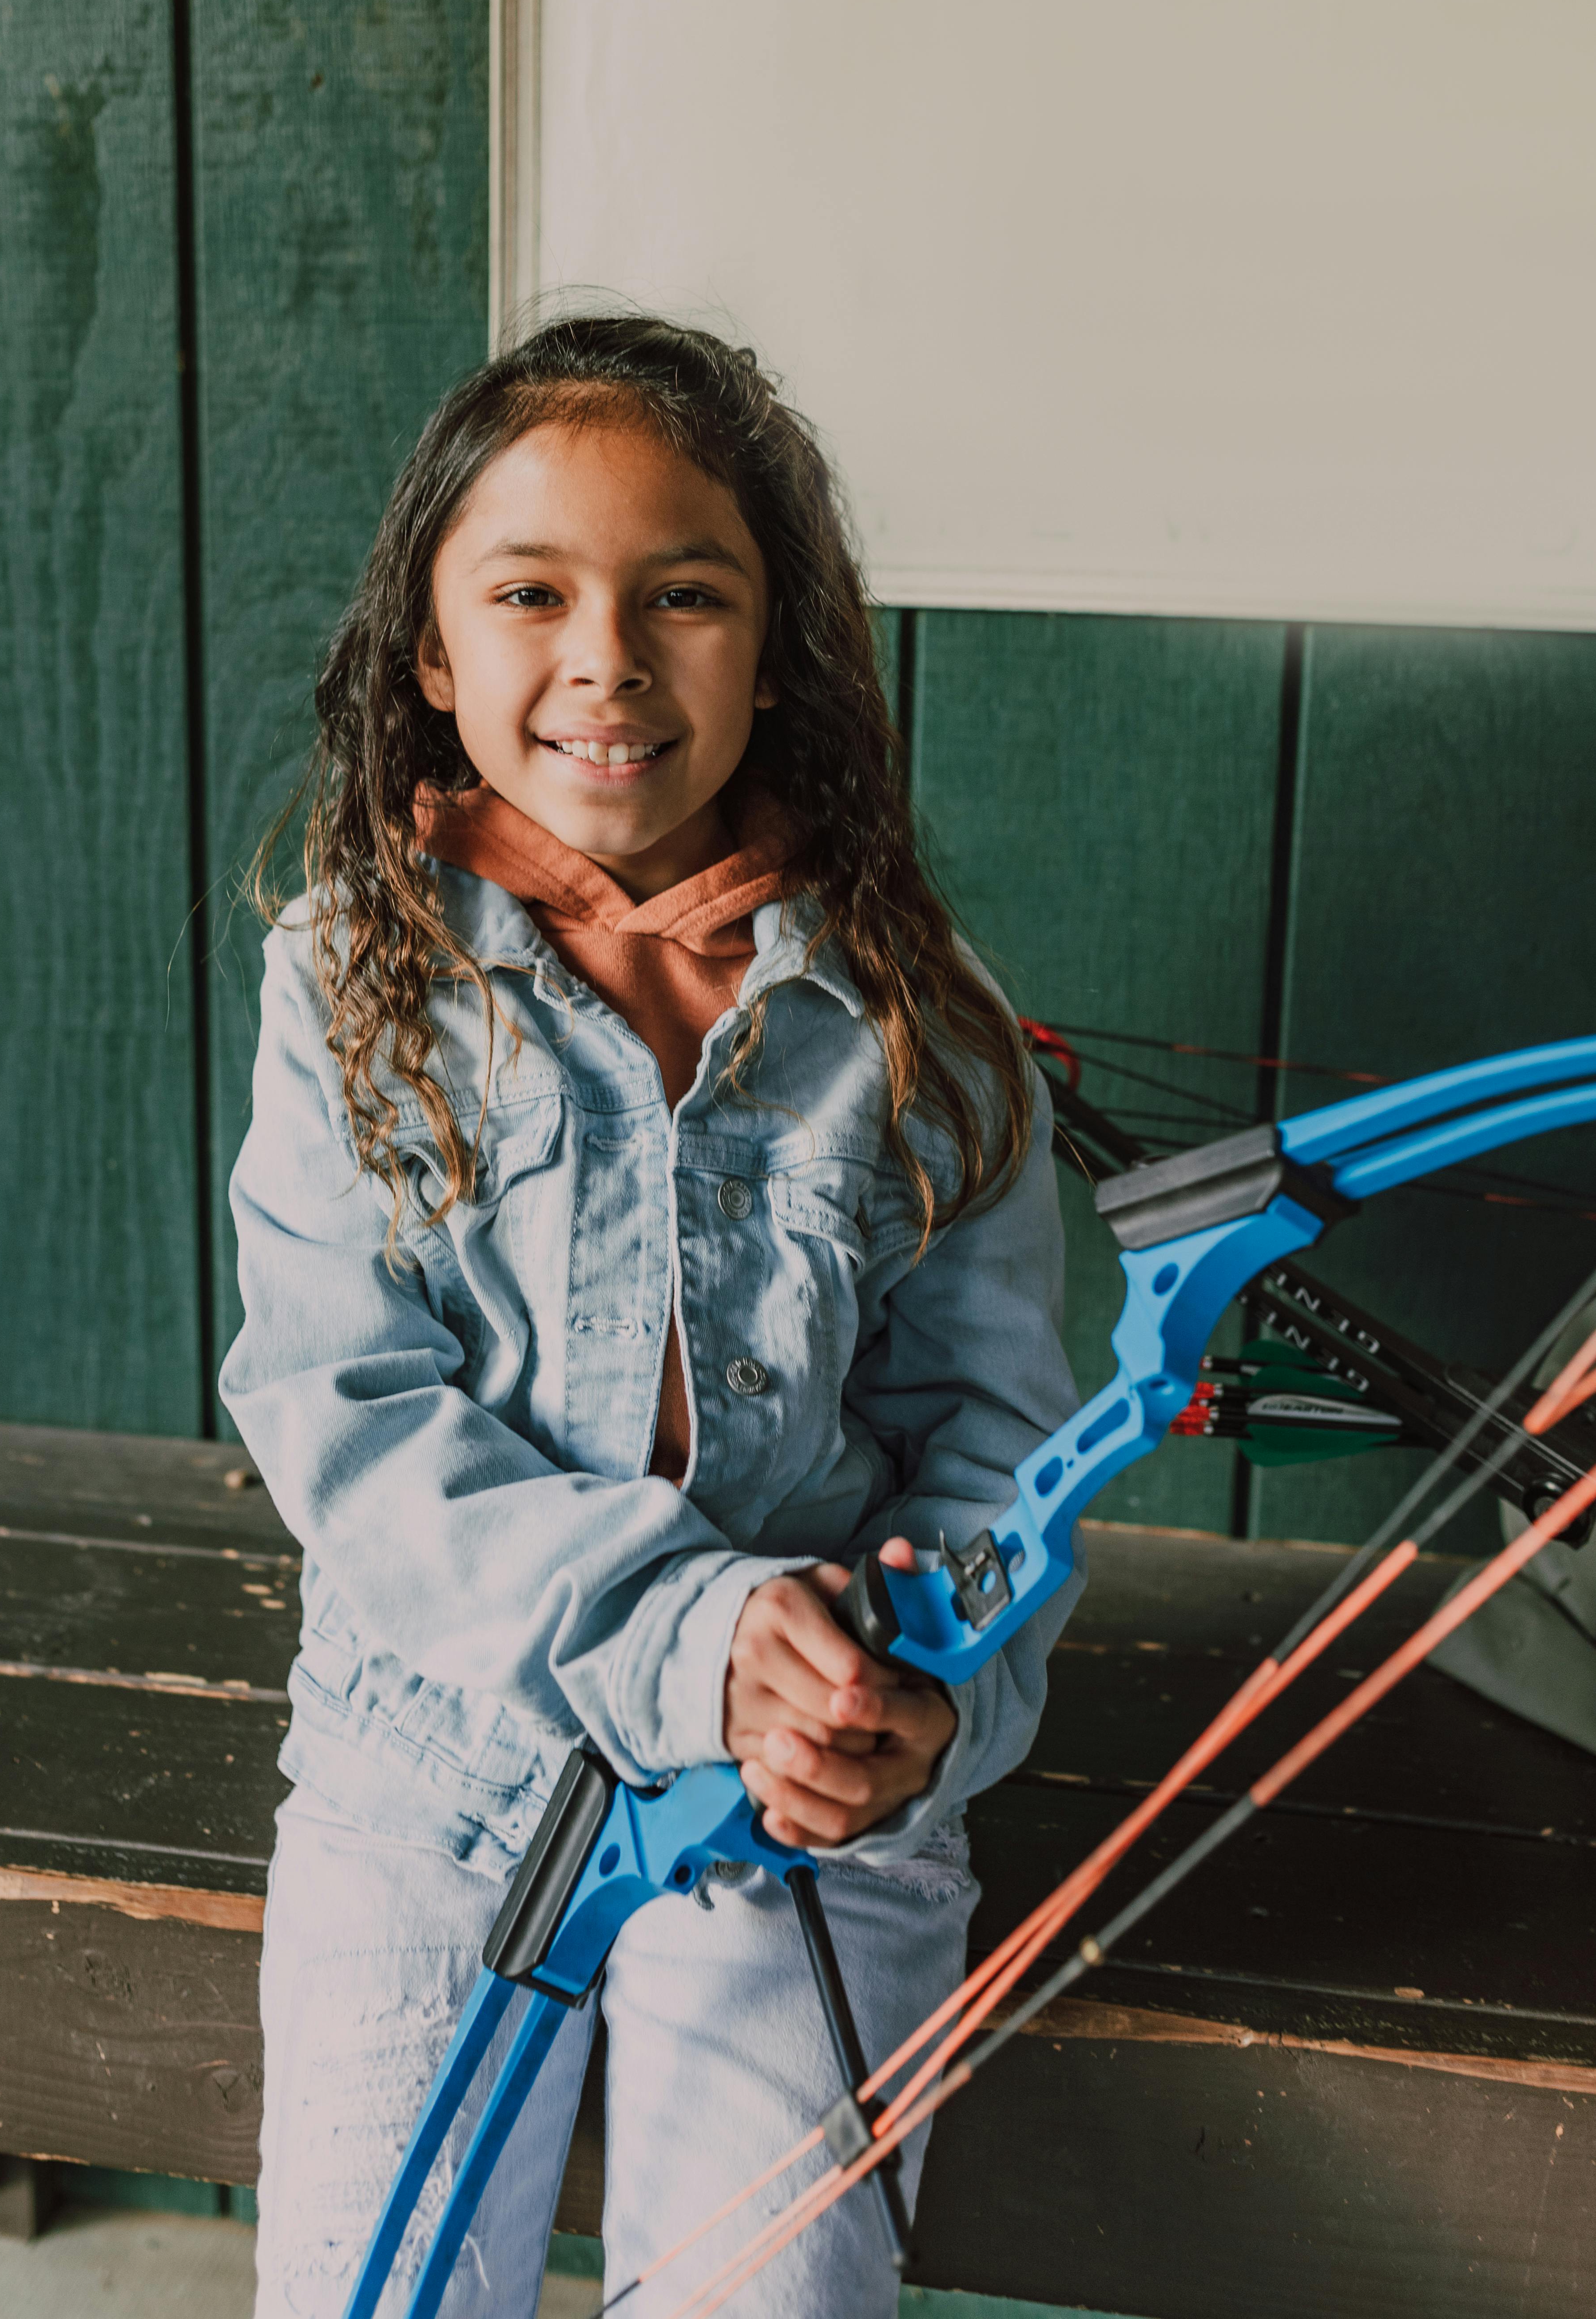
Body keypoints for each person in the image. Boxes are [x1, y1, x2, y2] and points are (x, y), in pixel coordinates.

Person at [221, 315, 1081, 2319]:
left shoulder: (915, 1015)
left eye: (682, 594)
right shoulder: (356, 977)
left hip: (795, 1802)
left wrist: (928, 1708)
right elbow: (342, 1404)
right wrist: (687, 1635)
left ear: (770, 648)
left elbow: (1003, 1441)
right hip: (433, 1774)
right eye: (530, 594)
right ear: (433, 653)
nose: (605, 657)